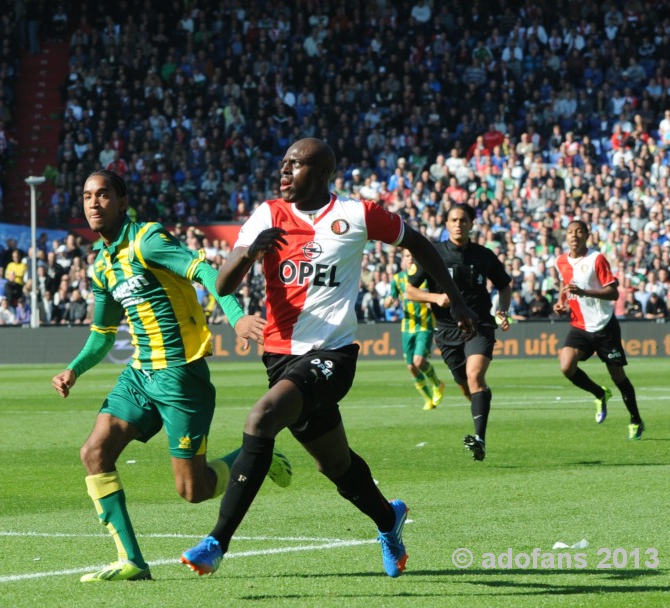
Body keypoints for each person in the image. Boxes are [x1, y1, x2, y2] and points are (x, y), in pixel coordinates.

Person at [180, 138, 475, 578]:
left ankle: (216, 542)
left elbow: (420, 244)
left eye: (294, 166)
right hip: (280, 358)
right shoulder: (267, 215)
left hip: (333, 356)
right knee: (334, 465)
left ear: (320, 173)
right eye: (282, 165)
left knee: (261, 418)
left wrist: (456, 299)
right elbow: (222, 286)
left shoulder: (357, 214)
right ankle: (388, 519)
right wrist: (250, 252)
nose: (283, 173)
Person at [51, 170, 292, 583]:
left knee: (192, 491)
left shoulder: (147, 240)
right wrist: (74, 368)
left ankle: (256, 457)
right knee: (94, 451)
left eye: (103, 194)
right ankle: (132, 561)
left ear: (122, 201)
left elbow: (203, 272)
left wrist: (234, 317)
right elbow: (102, 335)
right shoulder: (103, 265)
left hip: (181, 376)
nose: (94, 203)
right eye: (88, 195)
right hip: (140, 375)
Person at [404, 204, 512, 461]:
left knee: (475, 376)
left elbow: (504, 286)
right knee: (466, 386)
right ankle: (479, 403)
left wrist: (503, 310)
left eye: (463, 220)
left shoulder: (484, 255)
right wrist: (435, 297)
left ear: (472, 223)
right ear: (446, 223)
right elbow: (409, 291)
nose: (458, 224)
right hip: (446, 330)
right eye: (453, 220)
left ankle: (480, 439)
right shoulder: (433, 253)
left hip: (479, 325)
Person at [553, 220, 644, 440]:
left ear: (586, 235)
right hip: (579, 326)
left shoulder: (596, 259)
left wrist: (584, 292)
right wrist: (560, 302)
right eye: (570, 232)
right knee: (566, 366)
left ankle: (635, 420)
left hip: (604, 325)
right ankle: (600, 394)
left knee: (618, 376)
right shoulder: (560, 261)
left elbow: (613, 293)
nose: (574, 235)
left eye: (578, 231)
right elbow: (564, 285)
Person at [385, 249, 445, 410]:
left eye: (413, 255)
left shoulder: (426, 277)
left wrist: (430, 303)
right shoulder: (397, 279)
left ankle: (437, 384)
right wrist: (389, 302)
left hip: (425, 325)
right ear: (403, 260)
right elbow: (389, 299)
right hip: (407, 327)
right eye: (407, 256)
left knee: (419, 361)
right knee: (411, 366)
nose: (410, 259)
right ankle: (427, 399)